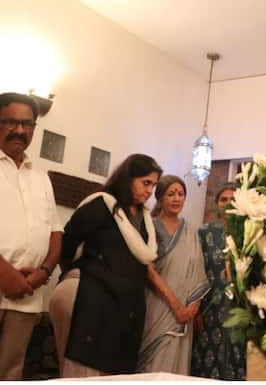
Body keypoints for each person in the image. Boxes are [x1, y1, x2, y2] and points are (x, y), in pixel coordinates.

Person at [0, 92, 63, 380]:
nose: (21, 130)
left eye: (28, 124)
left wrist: (44, 272)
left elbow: (55, 231)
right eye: (11, 122)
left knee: (8, 376)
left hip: (26, 297)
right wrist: (4, 273)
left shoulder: (40, 177)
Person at [48, 154, 162, 377]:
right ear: (128, 178)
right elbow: (67, 242)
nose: (150, 191)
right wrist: (81, 272)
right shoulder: (102, 204)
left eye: (154, 185)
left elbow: (143, 260)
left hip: (126, 308)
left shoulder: (145, 219)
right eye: (146, 183)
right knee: (84, 370)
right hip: (94, 301)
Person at [138, 175, 209, 374]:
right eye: (171, 194)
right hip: (158, 306)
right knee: (154, 366)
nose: (177, 199)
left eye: (181, 194)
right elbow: (147, 270)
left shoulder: (191, 231)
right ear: (160, 198)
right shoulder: (149, 226)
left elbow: (199, 273)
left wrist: (193, 307)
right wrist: (176, 307)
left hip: (186, 314)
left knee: (178, 367)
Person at [191, 182, 246, 380]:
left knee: (236, 358)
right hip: (209, 309)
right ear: (216, 204)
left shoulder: (248, 232)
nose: (228, 203)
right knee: (206, 360)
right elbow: (196, 272)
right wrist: (196, 310)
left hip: (239, 309)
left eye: (233, 199)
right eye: (224, 199)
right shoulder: (204, 233)